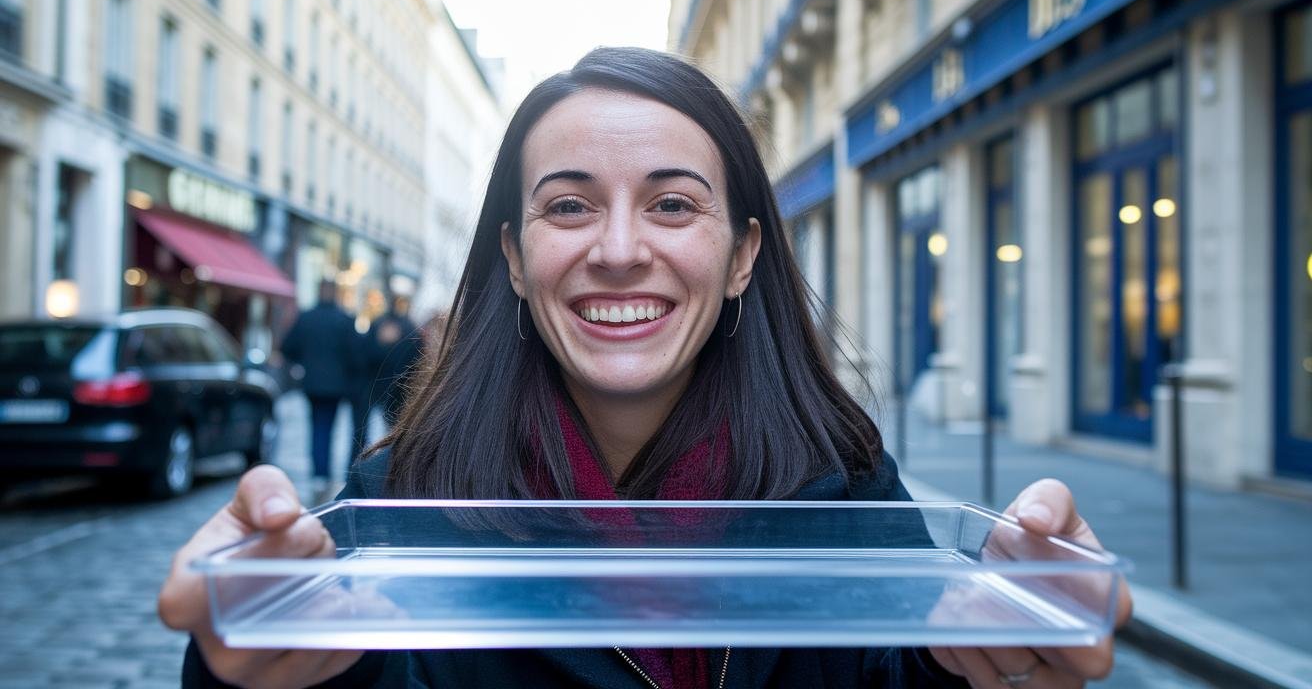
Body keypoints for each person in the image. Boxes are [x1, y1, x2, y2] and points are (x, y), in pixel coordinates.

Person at [160, 47, 1131, 689]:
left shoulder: (842, 479)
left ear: (743, 253)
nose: (619, 248)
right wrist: (246, 661)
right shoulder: (398, 500)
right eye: (570, 206)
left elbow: (903, 670)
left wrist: (1001, 661)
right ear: (512, 255)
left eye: (671, 205)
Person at [279, 279, 363, 501]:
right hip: (336, 386)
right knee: (328, 427)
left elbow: (287, 347)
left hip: (312, 384)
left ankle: (319, 473)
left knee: (317, 427)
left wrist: (305, 362)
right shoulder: (344, 320)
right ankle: (322, 474)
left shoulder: (307, 318)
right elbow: (356, 354)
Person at [363, 295, 423, 432]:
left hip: (378, 385)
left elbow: (366, 353)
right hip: (398, 387)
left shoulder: (378, 323)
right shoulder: (410, 327)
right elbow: (416, 359)